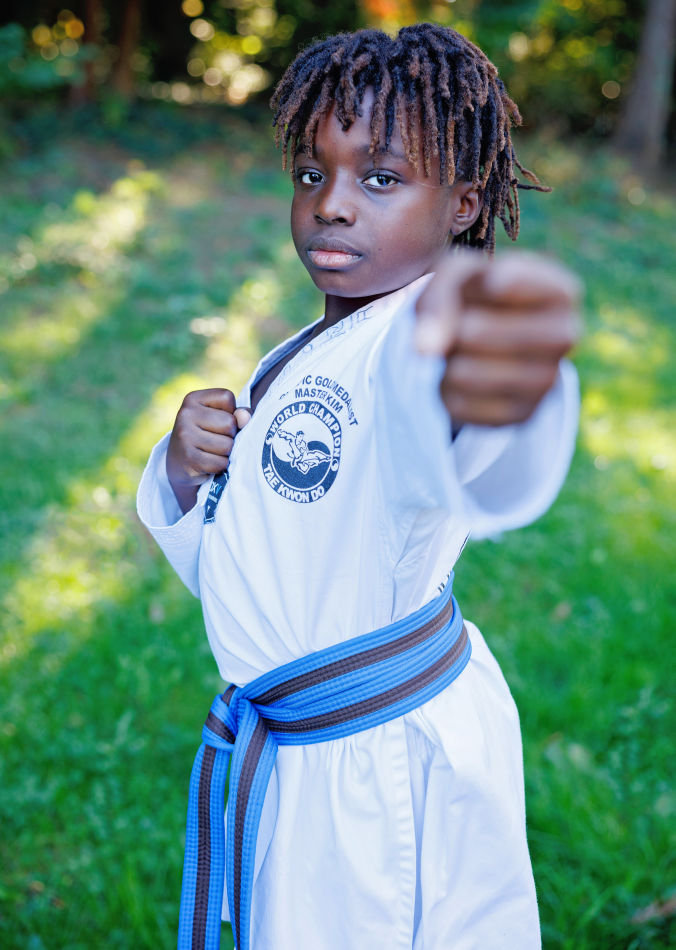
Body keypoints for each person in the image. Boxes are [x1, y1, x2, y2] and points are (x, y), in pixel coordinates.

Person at [137, 23, 580, 950]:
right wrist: (184, 471)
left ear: (463, 203)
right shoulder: (307, 349)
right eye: (312, 173)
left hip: (370, 763)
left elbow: (457, 429)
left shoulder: (418, 340)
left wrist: (498, 384)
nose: (332, 205)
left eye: (380, 179)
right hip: (312, 740)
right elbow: (264, 566)